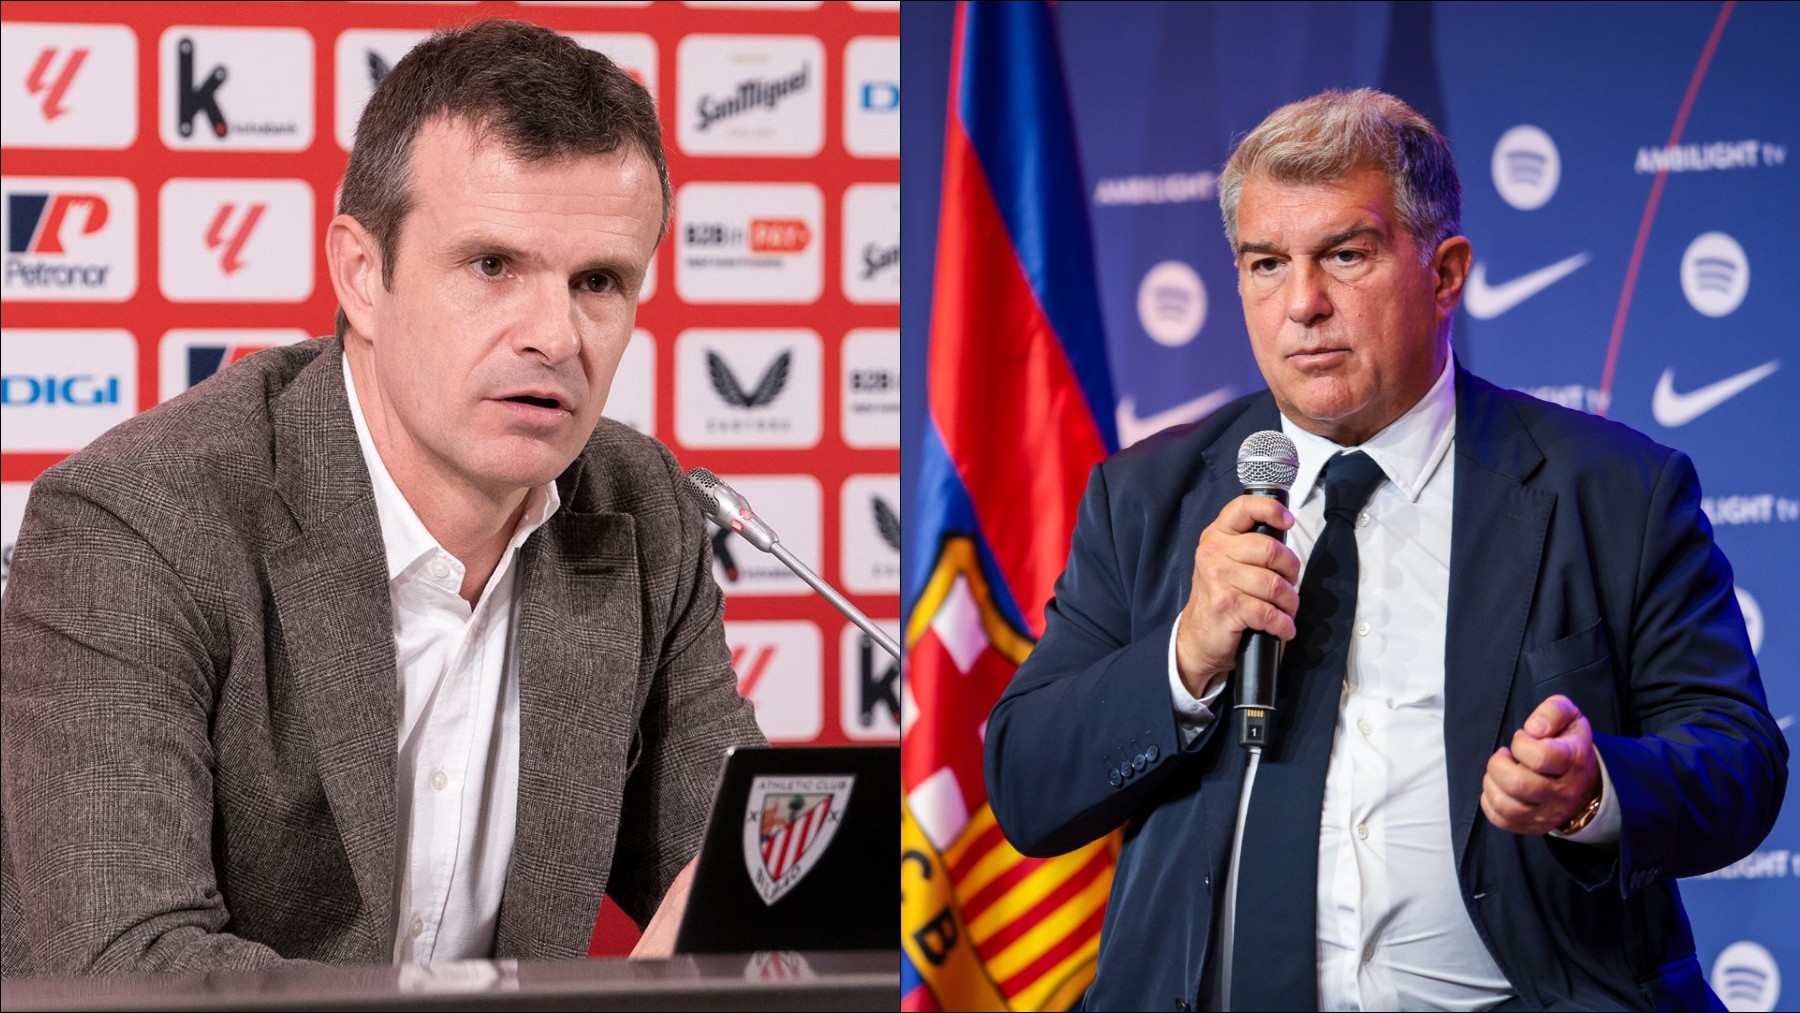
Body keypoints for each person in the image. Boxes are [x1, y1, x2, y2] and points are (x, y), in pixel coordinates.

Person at [983, 89, 1785, 1011]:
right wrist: (1186, 654)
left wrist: (1594, 787)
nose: (1302, 305)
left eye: (1345, 256)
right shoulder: (1146, 498)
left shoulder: (1612, 491)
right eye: (1266, 263)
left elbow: (1739, 759)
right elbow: (1029, 786)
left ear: (1445, 272)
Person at [1, 20, 764, 975]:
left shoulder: (641, 509)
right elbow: (133, 968)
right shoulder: (140, 522)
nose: (556, 335)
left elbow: (749, 871)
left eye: (599, 281)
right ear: (363, 277)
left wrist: (750, 902)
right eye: (493, 266)